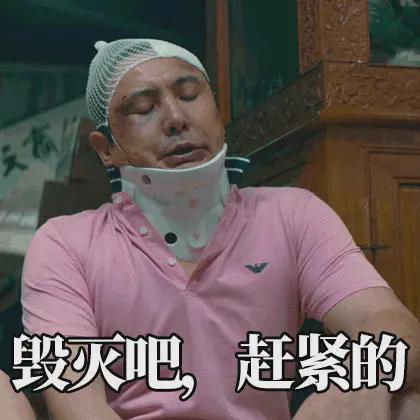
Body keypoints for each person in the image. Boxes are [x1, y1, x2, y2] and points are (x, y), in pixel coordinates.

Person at [20, 39, 420, 419]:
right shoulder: (66, 244)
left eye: (190, 95)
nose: (176, 119)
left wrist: (361, 381)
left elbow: (386, 319)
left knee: (408, 401)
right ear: (106, 148)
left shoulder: (291, 215)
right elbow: (78, 405)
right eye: (143, 108)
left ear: (218, 112)